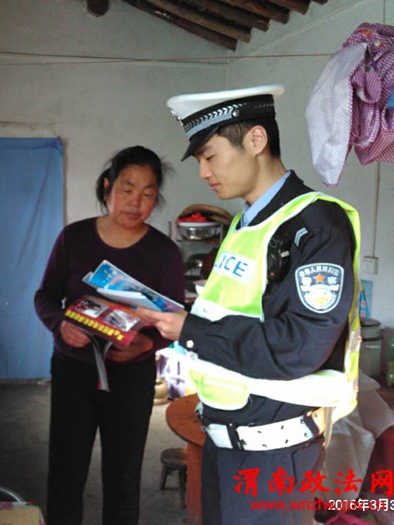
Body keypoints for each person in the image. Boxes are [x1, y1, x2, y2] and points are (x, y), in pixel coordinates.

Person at [139, 85, 362, 525]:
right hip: (224, 441)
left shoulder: (314, 225)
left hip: (274, 455)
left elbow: (299, 345)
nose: (204, 172)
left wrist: (190, 330)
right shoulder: (245, 223)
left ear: (256, 140)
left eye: (210, 156)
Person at [34, 145, 186, 525]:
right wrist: (60, 324)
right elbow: (45, 296)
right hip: (74, 371)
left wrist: (149, 343)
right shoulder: (74, 238)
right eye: (127, 189)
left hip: (131, 377)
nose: (135, 202)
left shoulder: (164, 252)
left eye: (147, 193)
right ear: (107, 187)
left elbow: (176, 320)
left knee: (123, 479)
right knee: (65, 474)